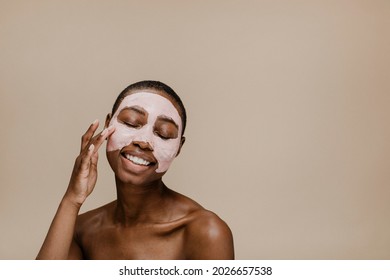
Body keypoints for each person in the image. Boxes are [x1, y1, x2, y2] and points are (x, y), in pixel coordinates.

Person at [36, 80, 234, 259]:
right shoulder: (82, 230)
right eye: (131, 122)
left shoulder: (205, 232)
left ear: (179, 148)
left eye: (164, 134)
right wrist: (72, 199)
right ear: (107, 124)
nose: (144, 141)